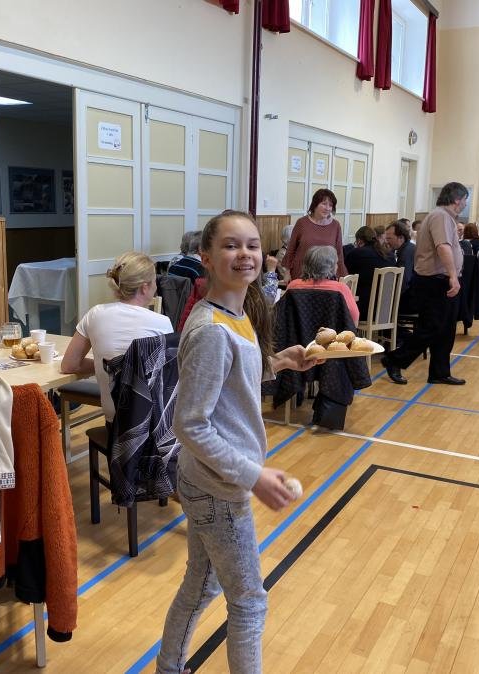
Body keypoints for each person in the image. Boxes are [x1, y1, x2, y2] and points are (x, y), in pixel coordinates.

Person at [156, 210, 318, 674]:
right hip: (218, 488)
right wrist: (254, 476)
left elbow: (234, 376)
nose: (244, 254)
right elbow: (190, 424)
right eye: (230, 245)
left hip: (209, 481)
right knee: (249, 602)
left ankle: (168, 667)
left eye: (251, 245)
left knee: (201, 584)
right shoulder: (210, 330)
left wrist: (281, 361)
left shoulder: (234, 314)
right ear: (206, 257)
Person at [61, 251, 173, 418]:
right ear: (144, 287)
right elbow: (167, 381)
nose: (156, 287)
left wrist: (103, 364)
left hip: (112, 419)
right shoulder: (162, 323)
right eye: (155, 281)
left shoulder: (95, 314)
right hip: (150, 424)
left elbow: (69, 365)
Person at [381, 182, 468, 386]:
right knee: (431, 328)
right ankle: (394, 359)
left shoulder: (444, 216)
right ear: (457, 199)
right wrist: (453, 276)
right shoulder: (440, 217)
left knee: (445, 329)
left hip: (439, 280)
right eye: (465, 199)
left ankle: (439, 372)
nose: (465, 203)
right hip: (435, 282)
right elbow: (443, 247)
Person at [281, 188, 347, 282]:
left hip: (326, 276)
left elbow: (339, 254)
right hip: (301, 274)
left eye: (330, 205)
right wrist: (287, 273)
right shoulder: (302, 223)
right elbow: (291, 249)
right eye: (324, 204)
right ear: (315, 204)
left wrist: (342, 276)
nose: (327, 208)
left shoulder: (335, 225)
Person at [285, 245, 359, 324]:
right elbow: (354, 317)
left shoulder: (293, 286)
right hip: (331, 331)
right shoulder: (341, 288)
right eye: (336, 263)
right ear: (331, 267)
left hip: (299, 331)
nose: (337, 266)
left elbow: (284, 314)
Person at [344, 226, 393, 322]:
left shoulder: (356, 254)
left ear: (359, 241)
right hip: (386, 309)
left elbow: (347, 276)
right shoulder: (390, 255)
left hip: (364, 308)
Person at [384, 220, 416, 314]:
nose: (386, 241)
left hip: (410, 301)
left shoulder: (406, 253)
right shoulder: (409, 248)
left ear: (401, 238)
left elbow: (403, 280)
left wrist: (391, 299)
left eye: (389, 238)